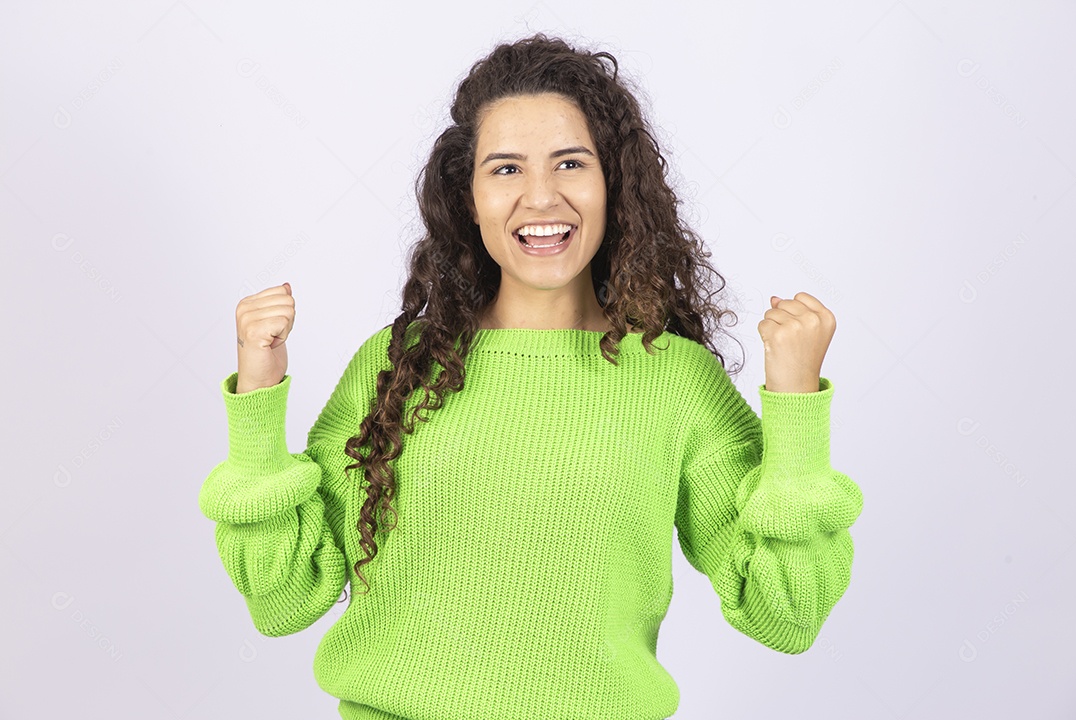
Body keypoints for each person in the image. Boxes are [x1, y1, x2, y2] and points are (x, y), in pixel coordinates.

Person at [199, 33, 864, 720]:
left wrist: (795, 406)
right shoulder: (400, 366)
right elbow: (284, 602)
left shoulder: (677, 382)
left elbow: (786, 616)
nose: (541, 198)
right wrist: (257, 396)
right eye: (507, 169)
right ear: (468, 197)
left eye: (570, 163)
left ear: (614, 183)